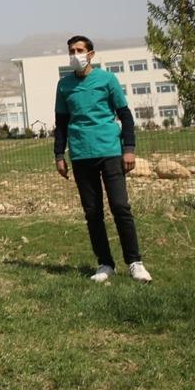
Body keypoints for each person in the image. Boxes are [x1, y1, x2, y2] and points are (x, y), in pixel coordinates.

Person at [55, 35, 151, 284]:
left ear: (90, 54)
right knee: (93, 212)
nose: (74, 54)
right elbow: (61, 124)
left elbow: (125, 116)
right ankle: (105, 263)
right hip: (80, 154)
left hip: (109, 150)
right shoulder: (64, 85)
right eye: (71, 51)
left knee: (120, 206)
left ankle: (135, 262)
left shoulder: (107, 79)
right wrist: (59, 155)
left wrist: (128, 148)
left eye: (79, 50)